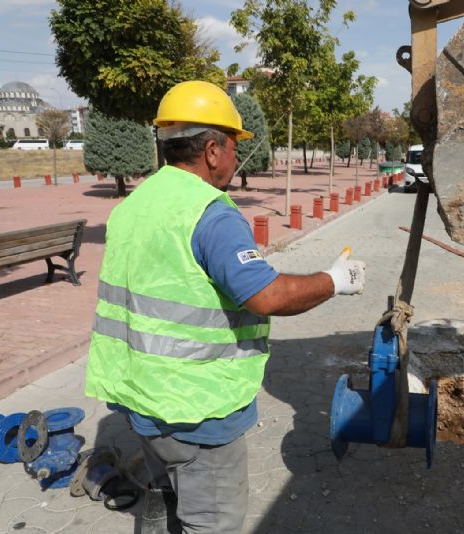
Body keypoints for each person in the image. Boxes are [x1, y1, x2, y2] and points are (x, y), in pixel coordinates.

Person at [84, 80, 366, 533]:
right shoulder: (210, 212)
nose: (237, 158)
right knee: (211, 523)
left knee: (165, 509)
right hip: (198, 412)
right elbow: (266, 295)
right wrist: (333, 281)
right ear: (212, 150)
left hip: (142, 402)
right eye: (234, 146)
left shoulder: (134, 205)